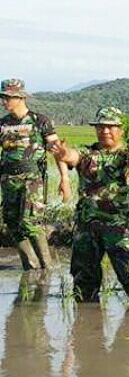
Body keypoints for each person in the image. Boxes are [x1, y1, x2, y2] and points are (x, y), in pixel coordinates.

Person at [51, 107, 129, 303]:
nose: (105, 131)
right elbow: (71, 156)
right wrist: (62, 152)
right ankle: (86, 327)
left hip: (120, 227)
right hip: (87, 226)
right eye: (101, 127)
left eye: (110, 127)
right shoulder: (87, 153)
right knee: (84, 282)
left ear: (121, 130)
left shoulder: (128, 155)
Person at [1, 78, 66, 270]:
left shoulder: (40, 121)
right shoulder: (2, 124)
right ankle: (31, 268)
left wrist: (64, 179)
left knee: (30, 222)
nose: (4, 101)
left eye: (9, 97)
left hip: (32, 179)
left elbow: (58, 152)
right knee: (12, 223)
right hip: (8, 179)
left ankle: (47, 267)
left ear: (21, 98)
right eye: (3, 97)